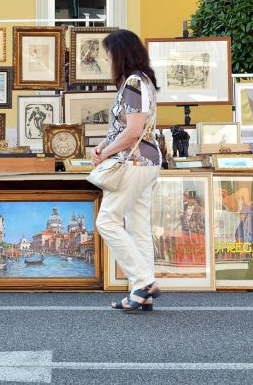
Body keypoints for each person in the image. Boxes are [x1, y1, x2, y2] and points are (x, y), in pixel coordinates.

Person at [92, 29, 162, 312]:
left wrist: (107, 151)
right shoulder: (143, 81)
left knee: (107, 221)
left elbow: (133, 131)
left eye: (109, 55)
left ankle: (143, 282)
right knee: (137, 226)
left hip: (134, 163)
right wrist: (104, 144)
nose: (107, 60)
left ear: (120, 54)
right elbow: (131, 128)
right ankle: (142, 291)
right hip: (146, 162)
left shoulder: (132, 83)